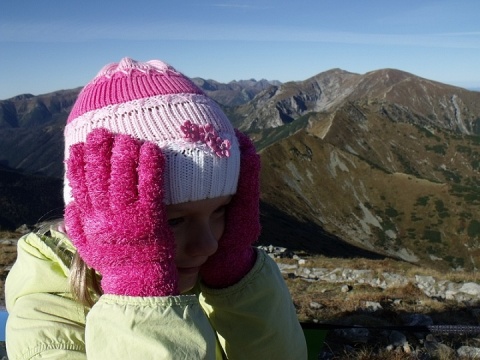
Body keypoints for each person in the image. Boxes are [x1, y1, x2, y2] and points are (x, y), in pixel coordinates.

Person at [5, 57, 307, 359]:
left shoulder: (211, 270)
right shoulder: (45, 314)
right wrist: (139, 292)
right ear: (100, 215)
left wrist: (237, 277)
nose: (210, 244)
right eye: (174, 221)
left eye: (220, 210)